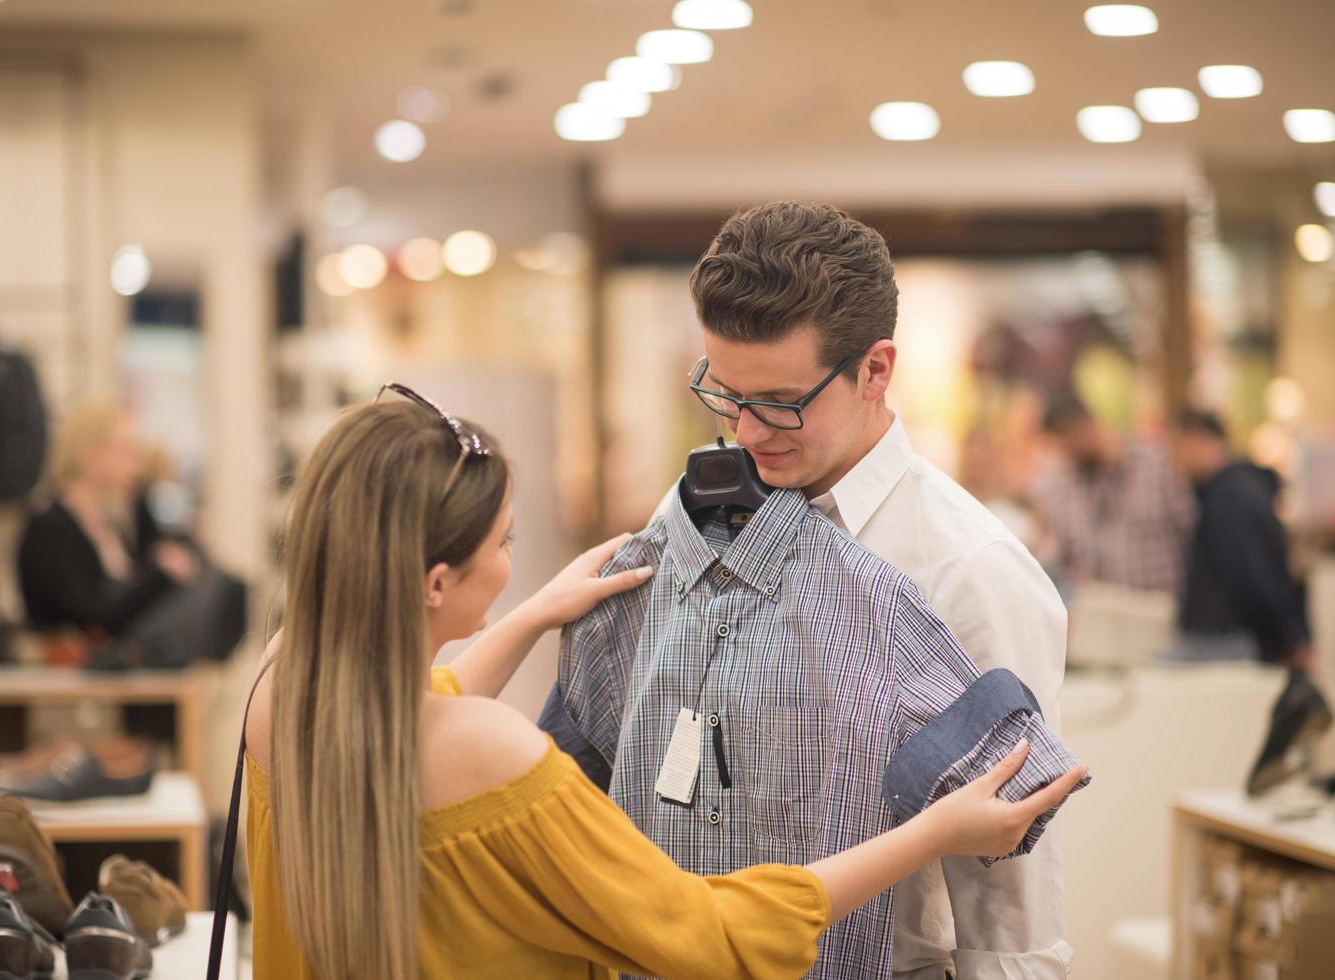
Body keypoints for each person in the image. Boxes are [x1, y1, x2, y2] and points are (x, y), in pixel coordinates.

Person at [239, 392, 1084, 979]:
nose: (512, 561)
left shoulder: (283, 691)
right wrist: (932, 833)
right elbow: (706, 933)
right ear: (433, 583)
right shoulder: (492, 750)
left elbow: (414, 709)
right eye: (502, 543)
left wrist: (533, 616)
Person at [545, 201, 1075, 978]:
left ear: (875, 370)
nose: (749, 434)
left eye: (782, 404)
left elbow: (1010, 896)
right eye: (725, 395)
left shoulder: (966, 568)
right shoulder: (686, 514)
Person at [17, 405, 202, 658]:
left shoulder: (109, 525)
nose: (136, 465)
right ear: (91, 453)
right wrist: (159, 574)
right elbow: (91, 616)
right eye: (126, 450)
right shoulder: (48, 529)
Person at [1170, 408, 1311, 667]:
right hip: (1240, 638)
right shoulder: (1242, 489)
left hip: (1230, 639)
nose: (1177, 461)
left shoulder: (1229, 500)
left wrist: (1290, 635)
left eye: (1178, 448)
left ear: (1197, 440)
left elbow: (1254, 573)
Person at [1035, 392, 1193, 595]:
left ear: (1090, 423)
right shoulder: (1058, 490)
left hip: (1160, 607)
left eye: (1073, 434)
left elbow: (1190, 533)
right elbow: (1059, 559)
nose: (1071, 446)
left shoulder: (1157, 467)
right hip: (1099, 613)